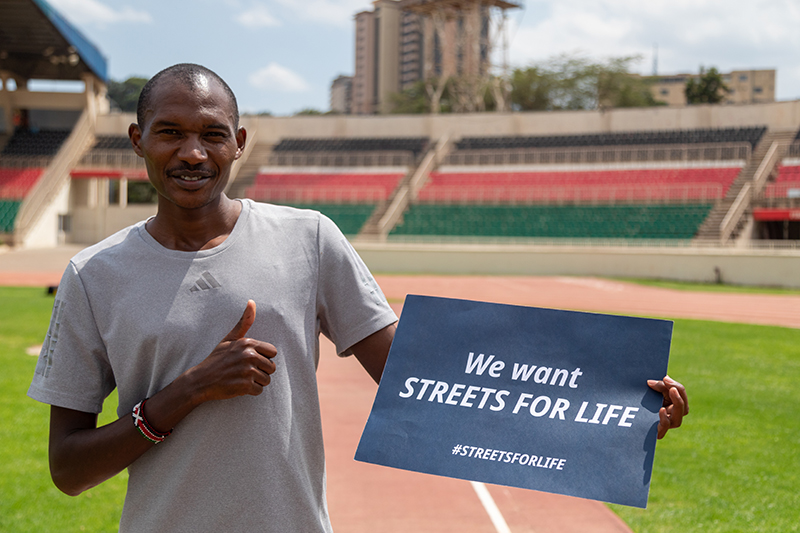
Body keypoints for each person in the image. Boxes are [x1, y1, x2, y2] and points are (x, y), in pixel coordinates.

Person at [29, 64, 687, 532]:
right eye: (170, 131)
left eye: (212, 132)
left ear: (240, 142)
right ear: (138, 140)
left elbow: (416, 379)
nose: (193, 151)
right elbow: (67, 467)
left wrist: (608, 416)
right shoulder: (95, 275)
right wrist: (188, 389)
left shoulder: (307, 238)